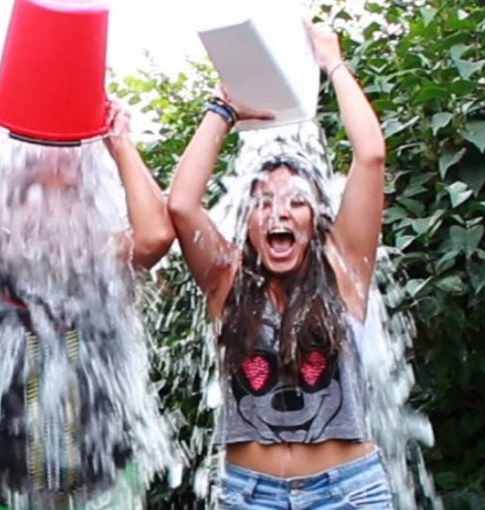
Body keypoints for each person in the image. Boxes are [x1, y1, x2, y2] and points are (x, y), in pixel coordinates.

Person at [167, 22, 391, 508]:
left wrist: (332, 62)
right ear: (247, 221)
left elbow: (370, 155)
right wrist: (222, 108)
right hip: (249, 494)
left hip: (347, 490)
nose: (279, 213)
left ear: (316, 220)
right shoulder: (226, 283)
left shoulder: (344, 269)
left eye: (295, 202)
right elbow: (182, 205)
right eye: (263, 202)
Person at [0, 90, 175, 509]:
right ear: (10, 204)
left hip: (102, 492)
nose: (50, 210)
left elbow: (156, 235)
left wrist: (119, 142)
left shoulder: (104, 262)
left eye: (68, 194)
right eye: (35, 192)